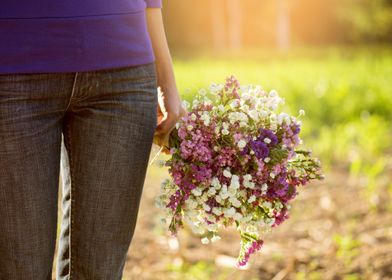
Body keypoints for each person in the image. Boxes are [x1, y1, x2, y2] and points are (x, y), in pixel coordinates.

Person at [0, 0, 185, 279]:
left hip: (124, 71)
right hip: (13, 65)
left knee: (101, 273)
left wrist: (165, 76)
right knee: (18, 269)